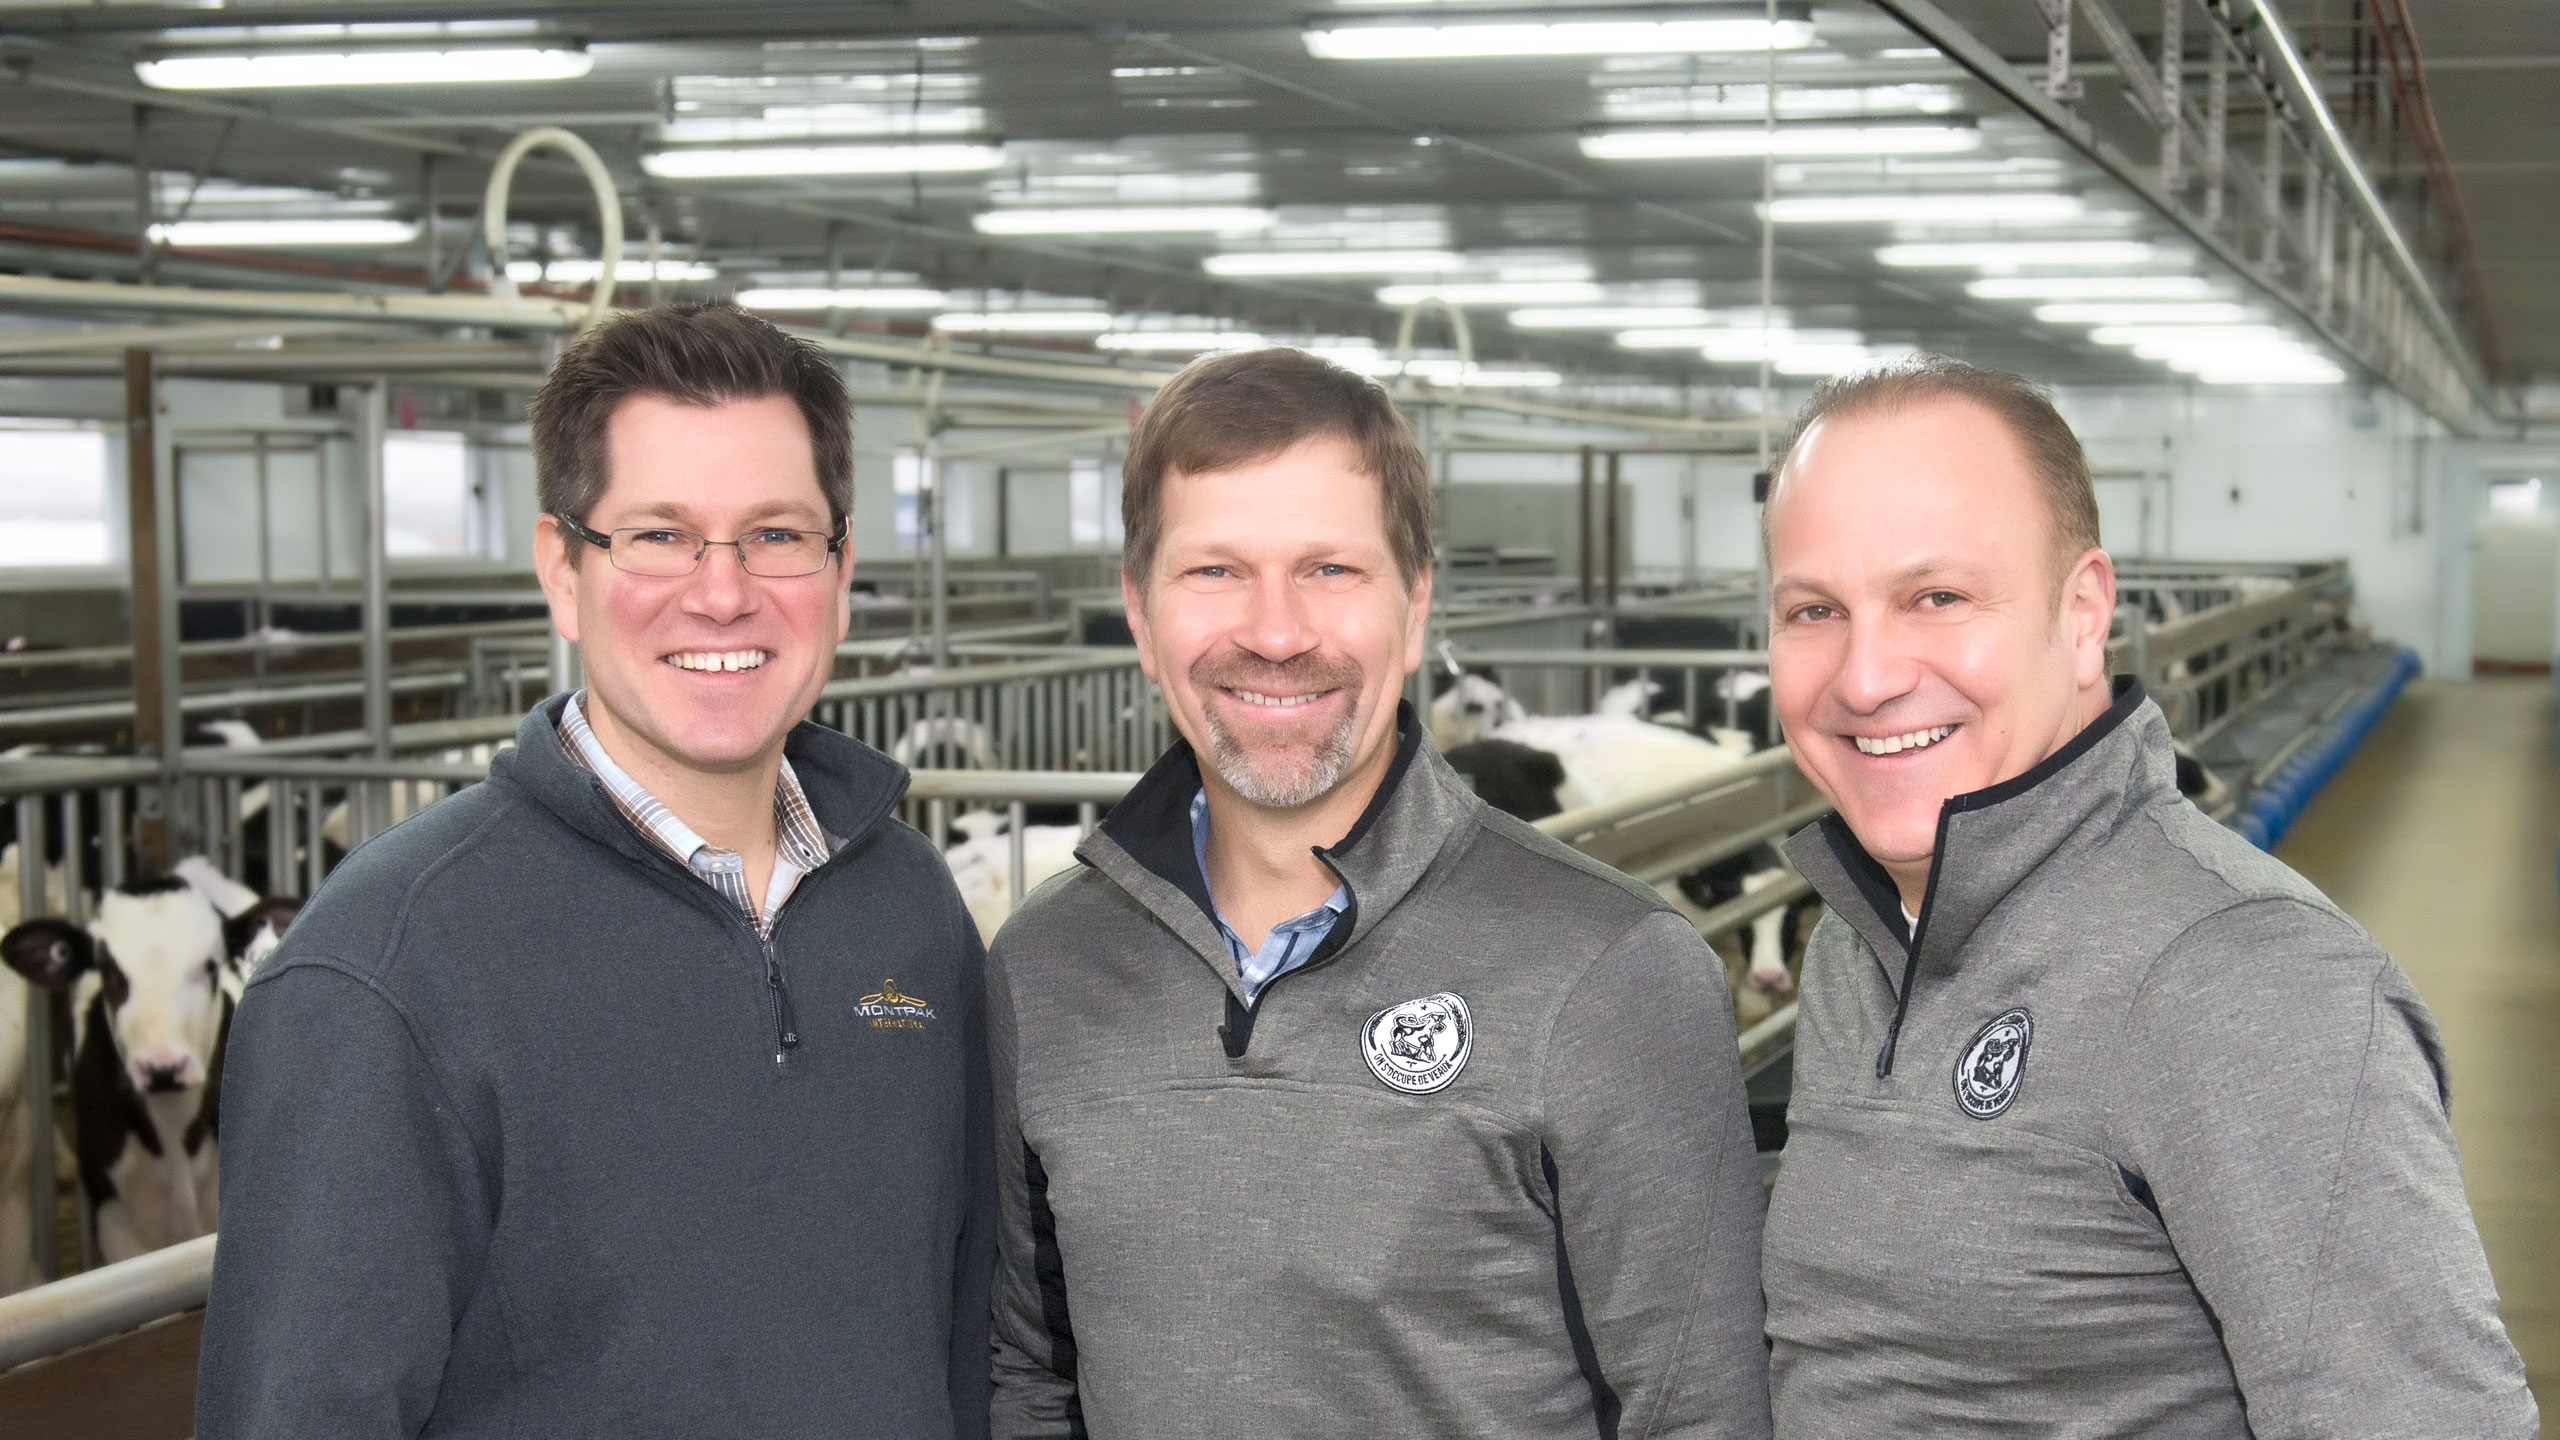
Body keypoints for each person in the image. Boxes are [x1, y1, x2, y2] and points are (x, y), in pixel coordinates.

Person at [196, 302, 993, 1439]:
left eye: (775, 534)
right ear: (562, 571)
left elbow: (967, 1336)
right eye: (658, 535)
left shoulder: (905, 905)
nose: (722, 592)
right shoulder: (384, 970)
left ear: (841, 568)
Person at [985, 347, 1770, 1439]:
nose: (1275, 632)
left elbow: (1700, 1412)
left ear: (1416, 604)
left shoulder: (1610, 971)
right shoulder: (1041, 969)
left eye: (1330, 569)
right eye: (1214, 571)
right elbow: (1029, 1373)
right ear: (1139, 613)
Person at [1756, 355, 2536, 1435]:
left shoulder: (2248, 980)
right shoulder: (1858, 945)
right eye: (1813, 610)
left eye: (1937, 597)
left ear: (2083, 615)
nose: (1865, 676)